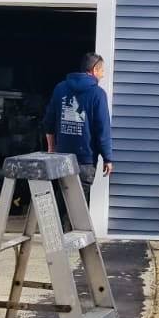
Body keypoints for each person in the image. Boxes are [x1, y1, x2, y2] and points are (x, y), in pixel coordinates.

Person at [43, 52, 113, 227]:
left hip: (61, 157)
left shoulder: (60, 88)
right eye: (102, 70)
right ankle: (74, 248)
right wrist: (108, 157)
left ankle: (58, 242)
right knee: (79, 208)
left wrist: (52, 148)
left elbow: (49, 122)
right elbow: (102, 129)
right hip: (85, 161)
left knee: (62, 202)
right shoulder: (97, 94)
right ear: (94, 70)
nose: (103, 74)